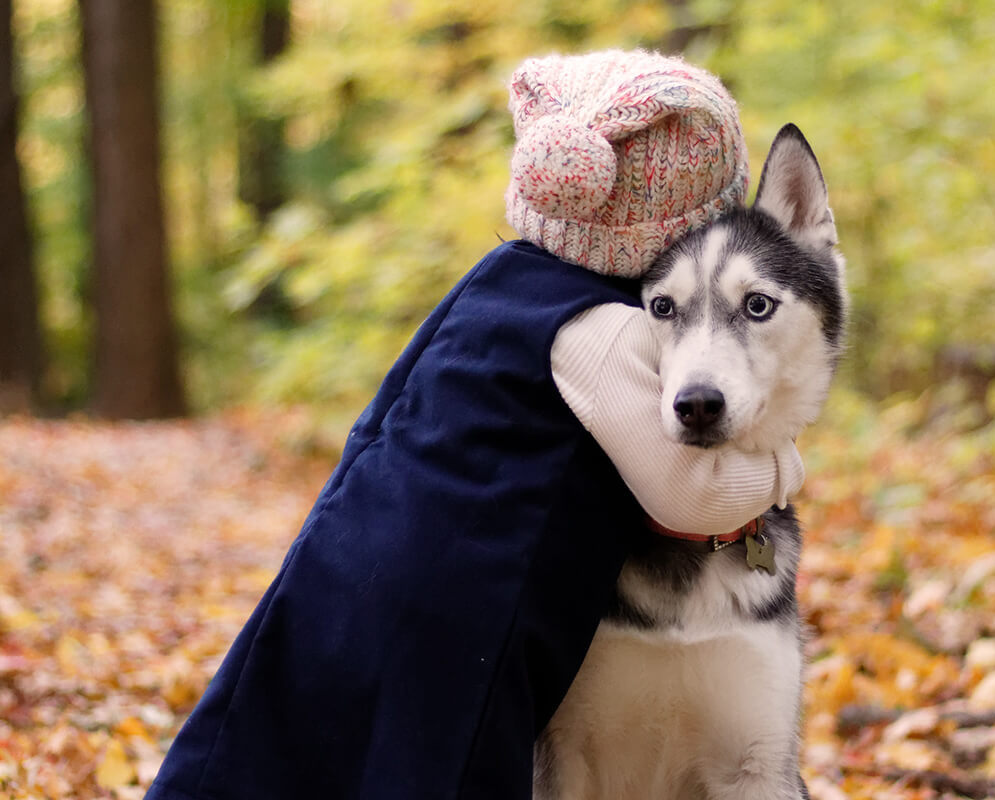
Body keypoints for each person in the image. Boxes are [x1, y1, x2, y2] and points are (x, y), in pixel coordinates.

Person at [144, 49, 805, 800]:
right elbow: (692, 496)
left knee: (303, 745)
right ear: (680, 223)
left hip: (350, 559)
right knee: (438, 767)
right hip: (466, 604)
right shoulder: (601, 331)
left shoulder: (493, 279)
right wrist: (784, 467)